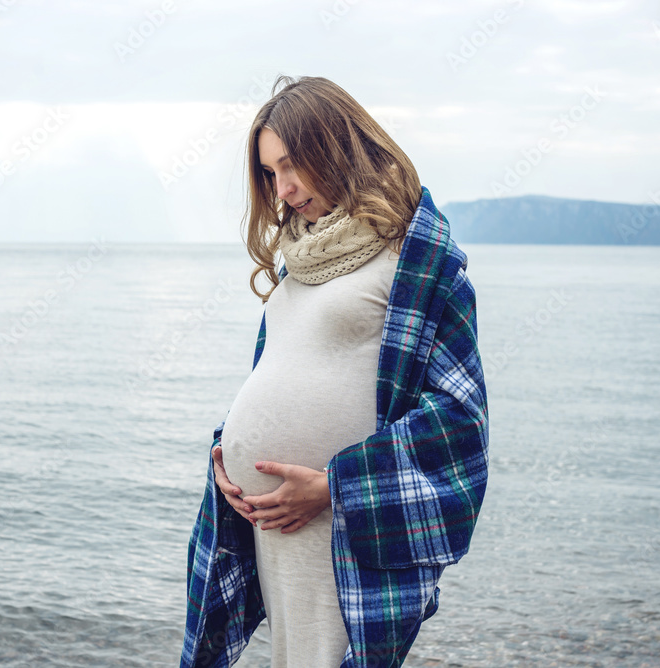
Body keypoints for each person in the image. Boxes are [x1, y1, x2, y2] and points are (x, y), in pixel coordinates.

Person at [182, 75, 489, 668]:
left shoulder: (417, 256)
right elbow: (279, 374)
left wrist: (335, 488)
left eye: (294, 164)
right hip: (270, 518)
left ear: (338, 145)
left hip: (344, 522)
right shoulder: (300, 260)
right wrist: (227, 452)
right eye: (271, 173)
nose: (285, 188)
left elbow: (459, 418)